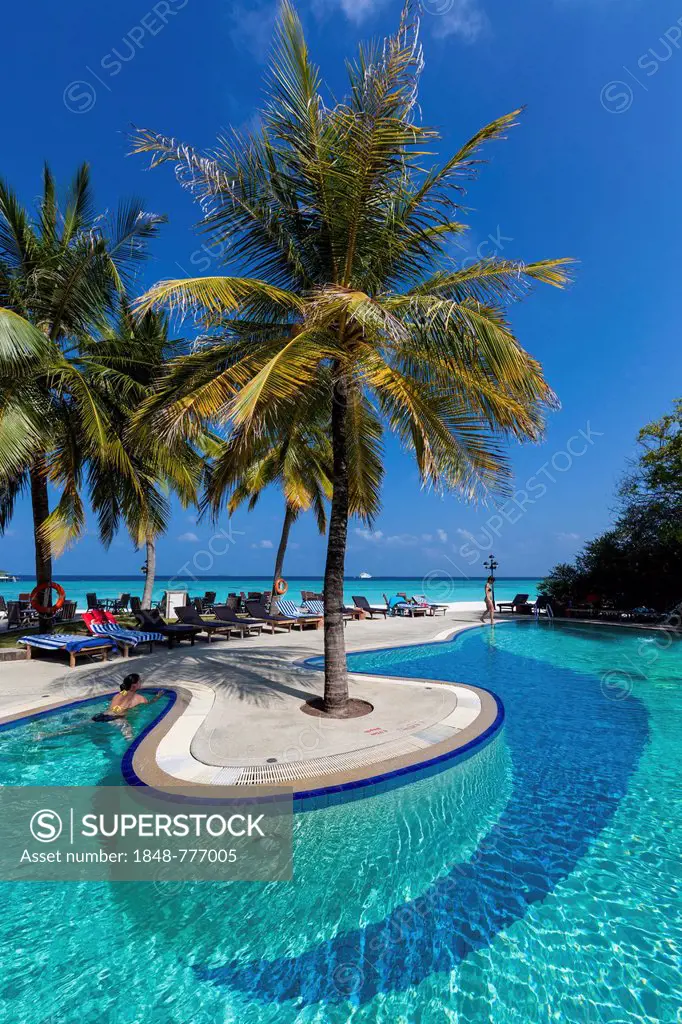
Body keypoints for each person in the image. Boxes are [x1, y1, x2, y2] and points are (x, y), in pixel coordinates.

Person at [91, 673, 162, 731]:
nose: (141, 683)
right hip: (116, 719)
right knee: (130, 737)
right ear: (134, 685)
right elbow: (150, 703)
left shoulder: (120, 694)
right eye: (139, 681)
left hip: (101, 715)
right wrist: (158, 696)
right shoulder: (140, 698)